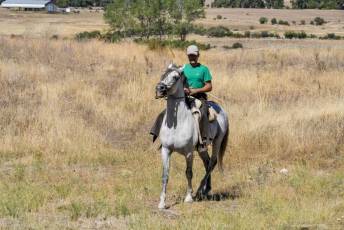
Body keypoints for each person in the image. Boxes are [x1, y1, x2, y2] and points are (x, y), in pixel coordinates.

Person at [150, 45, 213, 148]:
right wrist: (182, 89)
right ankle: (157, 134)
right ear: (187, 56)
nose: (192, 58)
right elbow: (177, 82)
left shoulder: (203, 69)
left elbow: (209, 86)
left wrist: (195, 90)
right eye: (190, 56)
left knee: (203, 111)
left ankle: (205, 139)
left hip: (199, 97)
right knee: (165, 112)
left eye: (194, 55)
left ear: (198, 55)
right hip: (184, 97)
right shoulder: (183, 68)